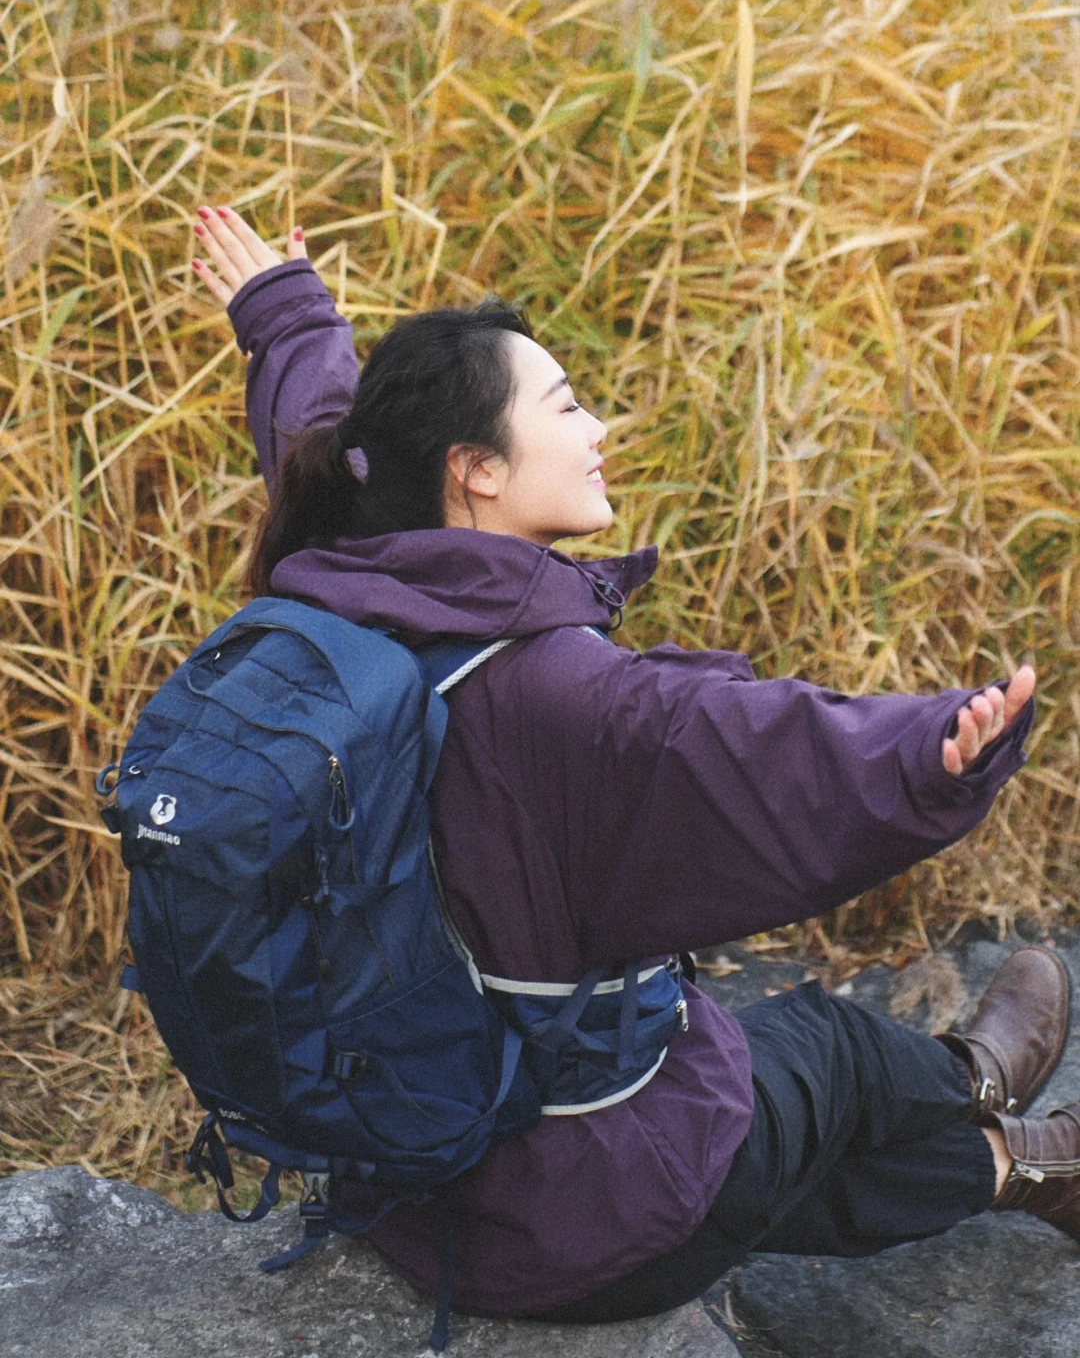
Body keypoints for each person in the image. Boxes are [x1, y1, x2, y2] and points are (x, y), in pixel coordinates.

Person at [187, 204, 1078, 1322]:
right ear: (476, 473)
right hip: (576, 1220)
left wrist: (285, 313)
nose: (598, 424)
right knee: (827, 1049)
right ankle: (986, 1106)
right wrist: (928, 751)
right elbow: (761, 752)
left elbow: (318, 436)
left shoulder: (340, 574)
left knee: (762, 1116)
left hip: (413, 1184)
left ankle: (1019, 1158)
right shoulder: (560, 696)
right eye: (565, 405)